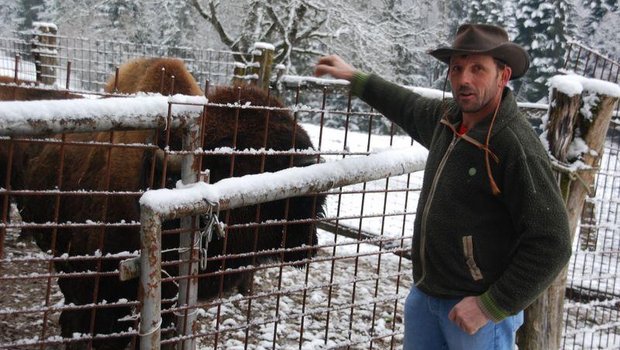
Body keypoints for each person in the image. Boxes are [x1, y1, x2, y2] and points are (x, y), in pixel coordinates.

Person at [314, 24, 572, 349]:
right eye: (457, 68)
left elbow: (553, 241)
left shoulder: (514, 144)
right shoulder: (449, 119)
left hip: (475, 311)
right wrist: (356, 78)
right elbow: (406, 105)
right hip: (426, 296)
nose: (464, 79)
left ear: (503, 76)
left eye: (478, 68)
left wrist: (491, 305)